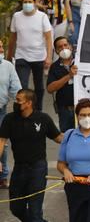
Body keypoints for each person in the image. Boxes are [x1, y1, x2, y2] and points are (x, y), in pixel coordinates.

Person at [0, 89, 63, 221]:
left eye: (18, 100)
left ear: (29, 103)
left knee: (35, 211)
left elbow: (58, 138)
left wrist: (78, 137)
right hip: (19, 168)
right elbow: (1, 141)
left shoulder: (43, 118)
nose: (15, 103)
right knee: (16, 208)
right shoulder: (9, 119)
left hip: (38, 169)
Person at [7, 0, 53, 111]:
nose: (27, 4)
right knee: (22, 86)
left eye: (29, 2)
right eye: (25, 2)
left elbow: (48, 37)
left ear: (34, 3)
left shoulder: (42, 17)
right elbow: (13, 37)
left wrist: (49, 57)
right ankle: (22, 109)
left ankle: (38, 110)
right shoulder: (17, 16)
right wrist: (9, 56)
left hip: (38, 56)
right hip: (21, 56)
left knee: (39, 86)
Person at [0, 39, 22, 188]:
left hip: (1, 110)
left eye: (1, 47)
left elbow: (16, 89)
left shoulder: (7, 66)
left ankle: (3, 176)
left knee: (2, 143)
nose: (1, 50)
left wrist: (23, 104)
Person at [47, 36, 77, 131]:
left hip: (83, 108)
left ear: (71, 47)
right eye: (60, 47)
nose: (64, 48)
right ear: (56, 51)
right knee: (66, 138)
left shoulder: (80, 62)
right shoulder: (54, 67)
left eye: (65, 45)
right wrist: (69, 76)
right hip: (65, 110)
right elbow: (50, 88)